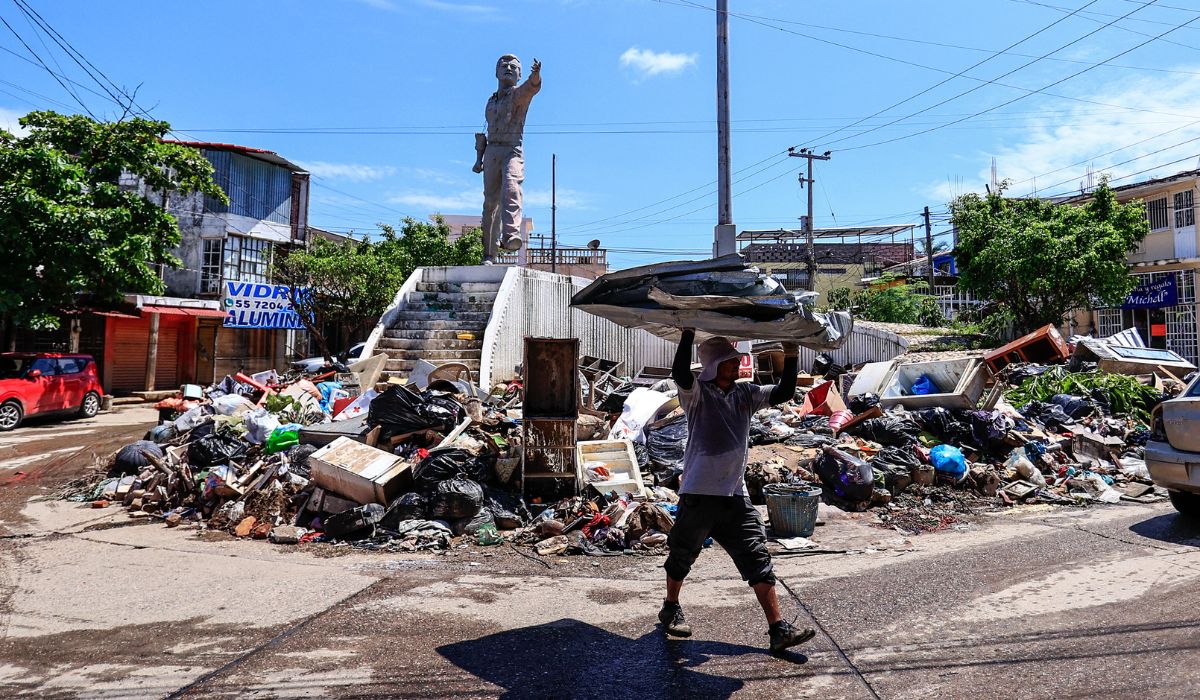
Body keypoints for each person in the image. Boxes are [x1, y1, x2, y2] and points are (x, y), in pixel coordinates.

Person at [658, 329, 816, 655]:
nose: (737, 365)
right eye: (730, 362)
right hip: (699, 492)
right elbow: (679, 373)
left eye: (736, 360)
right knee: (682, 555)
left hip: (735, 495)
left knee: (757, 558)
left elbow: (785, 391)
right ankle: (670, 607)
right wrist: (687, 332)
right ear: (714, 365)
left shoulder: (747, 394)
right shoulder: (696, 394)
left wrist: (791, 354)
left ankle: (778, 629)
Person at [473, 54, 541, 263]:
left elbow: (532, 88)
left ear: (520, 74)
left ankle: (511, 234)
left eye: (514, 66)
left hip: (512, 150)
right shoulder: (490, 101)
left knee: (511, 186)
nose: (509, 68)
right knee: (489, 204)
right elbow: (487, 131)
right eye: (504, 65)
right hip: (492, 151)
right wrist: (479, 158)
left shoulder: (519, 95)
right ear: (496, 72)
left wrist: (536, 76)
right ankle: (489, 253)